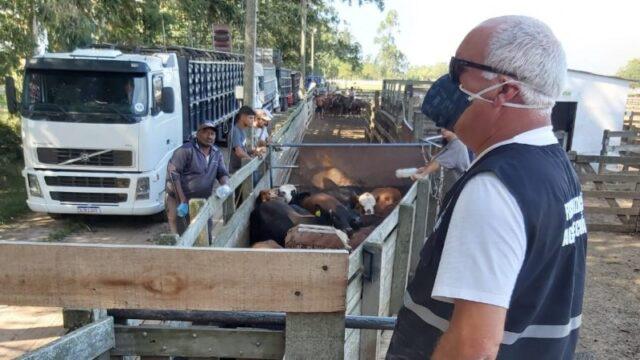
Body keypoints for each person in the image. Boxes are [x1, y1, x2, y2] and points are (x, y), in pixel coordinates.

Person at [387, 16, 587, 360]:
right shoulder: (553, 168)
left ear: (504, 91)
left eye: (458, 70)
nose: (448, 83)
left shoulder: (494, 188)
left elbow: (472, 347)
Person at [165, 121, 231, 235]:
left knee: (205, 232)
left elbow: (222, 172)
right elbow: (173, 174)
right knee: (184, 232)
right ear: (198, 134)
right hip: (183, 199)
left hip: (203, 200)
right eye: (205, 133)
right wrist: (182, 200)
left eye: (212, 134)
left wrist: (225, 185)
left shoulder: (216, 153)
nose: (209, 136)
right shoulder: (185, 150)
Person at [412, 128, 470, 194]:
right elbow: (440, 161)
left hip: (458, 189)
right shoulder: (451, 143)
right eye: (442, 128)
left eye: (446, 128)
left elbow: (438, 162)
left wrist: (422, 174)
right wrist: (425, 169)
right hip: (451, 188)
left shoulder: (457, 145)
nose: (442, 130)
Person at [229, 105, 261, 173]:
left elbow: (243, 149)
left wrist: (253, 151)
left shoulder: (242, 131)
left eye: (253, 118)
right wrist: (251, 160)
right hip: (235, 171)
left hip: (242, 167)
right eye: (250, 118)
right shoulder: (235, 131)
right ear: (242, 117)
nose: (252, 121)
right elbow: (239, 152)